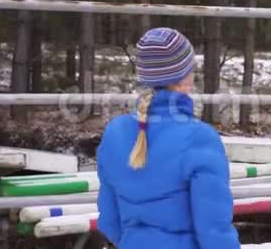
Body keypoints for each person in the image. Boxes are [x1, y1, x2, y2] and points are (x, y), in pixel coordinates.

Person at [96, 27, 240, 249]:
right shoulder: (200, 138)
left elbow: (109, 222)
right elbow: (214, 233)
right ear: (185, 77)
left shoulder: (115, 133)